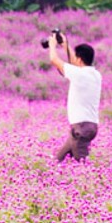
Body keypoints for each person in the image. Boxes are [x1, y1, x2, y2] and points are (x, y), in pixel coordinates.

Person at [46, 32, 102, 161]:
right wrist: (65, 45)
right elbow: (76, 63)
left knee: (82, 164)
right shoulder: (96, 75)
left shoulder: (79, 74)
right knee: (59, 160)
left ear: (80, 59)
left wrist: (52, 45)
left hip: (81, 128)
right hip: (89, 125)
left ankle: (91, 181)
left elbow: (54, 60)